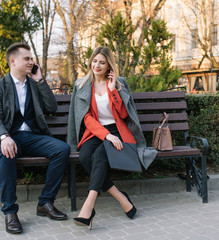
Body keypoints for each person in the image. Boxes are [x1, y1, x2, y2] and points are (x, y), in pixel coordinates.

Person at [0, 42, 70, 234]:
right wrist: (3, 137)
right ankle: (10, 211)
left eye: (32, 59)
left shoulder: (34, 84)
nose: (31, 62)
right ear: (13, 61)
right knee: (6, 153)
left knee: (62, 150)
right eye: (27, 59)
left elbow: (52, 108)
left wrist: (40, 80)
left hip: (33, 136)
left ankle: (45, 202)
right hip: (9, 137)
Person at [67, 46, 157, 229]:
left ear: (109, 65)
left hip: (118, 131)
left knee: (99, 156)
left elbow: (124, 115)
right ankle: (121, 197)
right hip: (96, 131)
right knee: (85, 156)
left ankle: (88, 206)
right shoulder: (82, 84)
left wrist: (113, 89)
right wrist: (105, 135)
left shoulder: (119, 82)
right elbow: (85, 117)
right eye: (94, 61)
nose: (97, 65)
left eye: (102, 62)